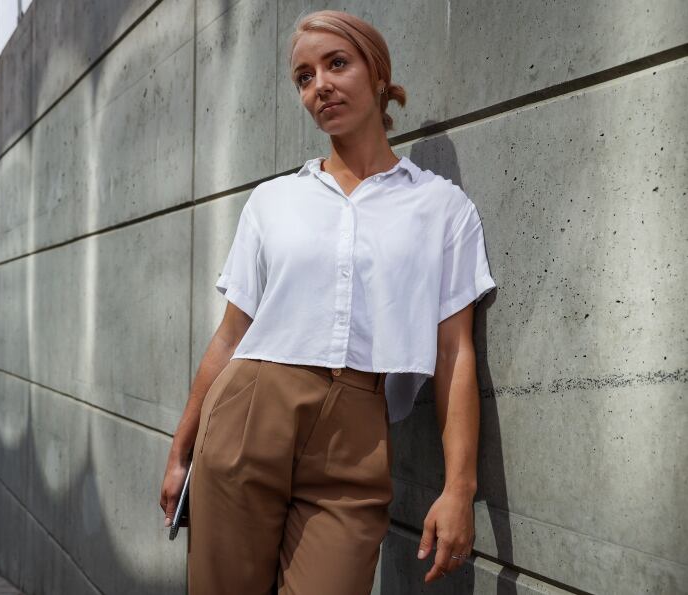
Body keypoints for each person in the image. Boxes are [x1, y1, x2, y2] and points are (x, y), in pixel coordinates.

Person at [160, 9, 496, 594]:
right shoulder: (273, 201)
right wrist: (180, 448)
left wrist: (458, 487)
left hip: (357, 434)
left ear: (378, 73)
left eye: (336, 64)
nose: (320, 85)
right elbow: (232, 334)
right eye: (304, 77)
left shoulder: (443, 209)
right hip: (250, 412)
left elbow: (453, 353)